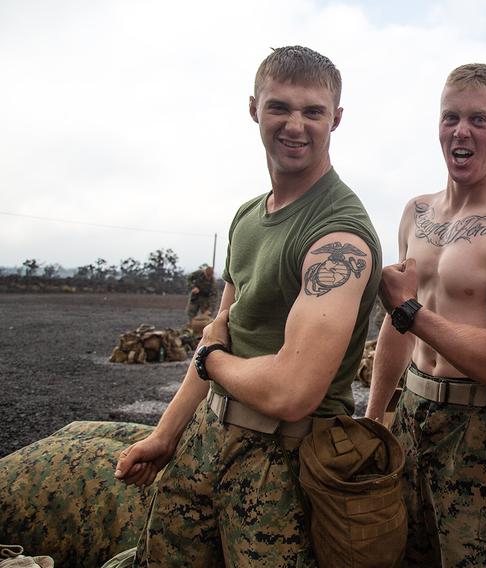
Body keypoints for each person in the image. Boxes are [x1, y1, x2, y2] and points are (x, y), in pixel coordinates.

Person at [112, 46, 381, 567]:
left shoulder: (338, 235)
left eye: (313, 112)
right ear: (254, 108)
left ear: (337, 119)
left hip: (284, 465)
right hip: (207, 438)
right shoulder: (247, 217)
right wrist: (164, 437)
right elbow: (223, 326)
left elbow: (292, 391)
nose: (295, 125)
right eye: (280, 107)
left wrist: (211, 360)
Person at [365, 63, 486, 567]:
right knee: (399, 554)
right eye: (450, 117)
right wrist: (375, 418)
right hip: (411, 409)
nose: (461, 131)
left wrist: (409, 310)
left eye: (479, 119)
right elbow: (394, 327)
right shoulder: (416, 213)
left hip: (481, 430)